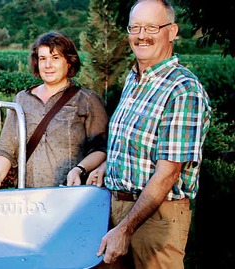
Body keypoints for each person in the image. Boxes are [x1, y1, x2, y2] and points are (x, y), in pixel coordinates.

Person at [87, 0, 212, 267]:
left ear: (172, 31)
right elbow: (136, 146)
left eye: (152, 27)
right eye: (135, 27)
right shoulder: (133, 79)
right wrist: (108, 166)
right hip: (116, 208)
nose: (142, 35)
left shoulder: (183, 89)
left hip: (156, 218)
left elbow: (168, 172)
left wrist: (125, 229)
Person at [0, 31, 108, 191]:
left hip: (70, 194)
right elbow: (6, 149)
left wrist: (79, 169)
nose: (48, 65)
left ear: (69, 62)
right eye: (42, 59)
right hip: (27, 195)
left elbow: (101, 150)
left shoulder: (87, 100)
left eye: (55, 58)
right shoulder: (22, 99)